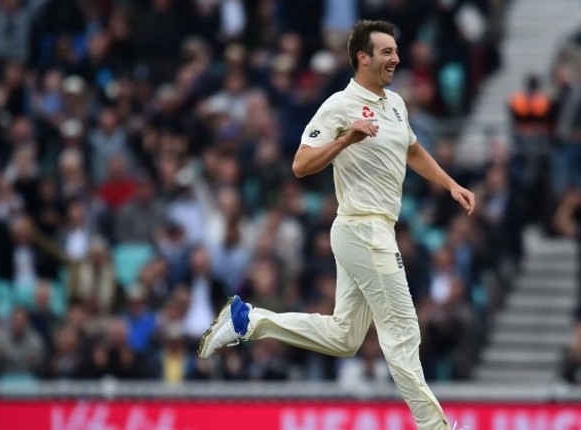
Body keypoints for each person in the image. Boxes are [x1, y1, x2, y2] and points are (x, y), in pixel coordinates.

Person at [197, 20, 476, 430]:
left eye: (396, 51)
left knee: (345, 338)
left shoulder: (395, 104)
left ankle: (248, 321)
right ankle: (436, 427)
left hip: (374, 230)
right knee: (402, 331)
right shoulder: (339, 106)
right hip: (361, 228)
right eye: (386, 52)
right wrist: (345, 139)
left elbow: (413, 150)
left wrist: (450, 183)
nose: (396, 58)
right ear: (362, 58)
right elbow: (300, 164)